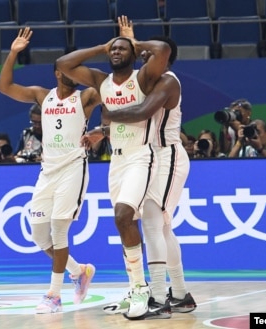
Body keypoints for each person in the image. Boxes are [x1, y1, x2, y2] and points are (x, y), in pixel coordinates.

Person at [56, 15, 171, 319]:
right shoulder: (99, 80)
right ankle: (135, 287)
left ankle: (141, 289)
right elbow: (64, 63)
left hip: (140, 156)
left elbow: (162, 50)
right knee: (124, 224)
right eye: (113, 50)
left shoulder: (143, 78)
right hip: (115, 159)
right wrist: (101, 45)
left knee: (123, 216)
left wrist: (134, 41)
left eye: (122, 49)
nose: (116, 52)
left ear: (132, 55)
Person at [0, 27, 101, 314]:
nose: (73, 72)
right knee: (39, 237)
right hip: (47, 171)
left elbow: (119, 88)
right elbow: (4, 87)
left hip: (73, 168)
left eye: (76, 68)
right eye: (67, 68)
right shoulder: (43, 96)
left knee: (59, 230)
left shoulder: (86, 97)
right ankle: (80, 271)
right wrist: (13, 54)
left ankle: (54, 295)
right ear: (57, 72)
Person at [98, 29, 197, 319]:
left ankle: (156, 295)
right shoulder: (146, 80)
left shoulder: (167, 81)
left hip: (168, 156)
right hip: (152, 155)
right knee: (163, 228)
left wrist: (108, 115)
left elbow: (140, 113)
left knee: (154, 225)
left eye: (147, 53)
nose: (142, 56)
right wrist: (102, 130)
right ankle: (179, 294)